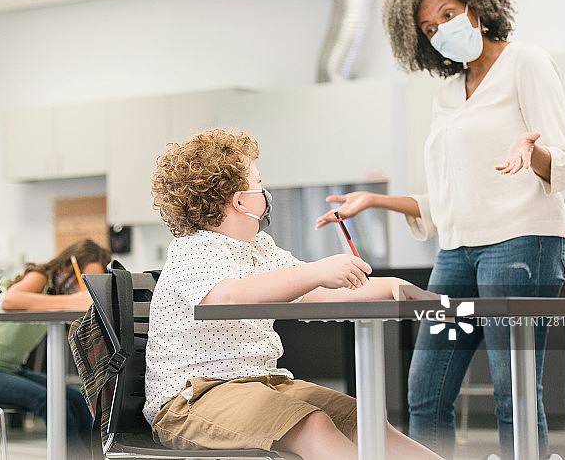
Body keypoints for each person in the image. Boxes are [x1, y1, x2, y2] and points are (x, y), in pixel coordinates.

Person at [316, 0, 565, 460]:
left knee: (514, 393)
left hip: (522, 246)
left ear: (476, 8)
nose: (439, 30)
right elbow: (450, 200)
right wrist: (374, 200)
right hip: (457, 254)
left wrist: (533, 151)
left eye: (447, 15)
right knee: (426, 391)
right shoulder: (448, 94)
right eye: (428, 27)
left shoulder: (526, 61)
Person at [144, 129, 442, 460]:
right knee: (312, 425)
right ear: (241, 201)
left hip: (261, 383)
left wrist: (391, 286)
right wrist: (315, 271)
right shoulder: (193, 250)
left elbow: (314, 294)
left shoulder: (260, 248)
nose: (265, 192)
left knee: (362, 420)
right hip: (192, 400)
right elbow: (226, 297)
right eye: (259, 183)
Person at [0, 238, 111, 455]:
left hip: (8, 370)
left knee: (77, 399)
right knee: (51, 401)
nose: (82, 286)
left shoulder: (57, 294)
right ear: (68, 266)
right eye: (81, 278)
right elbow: (11, 300)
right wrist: (73, 301)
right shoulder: (40, 277)